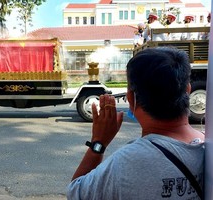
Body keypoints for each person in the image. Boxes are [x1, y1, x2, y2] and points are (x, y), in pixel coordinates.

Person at [67, 47, 205, 199]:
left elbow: (76, 193)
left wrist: (98, 143)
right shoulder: (206, 146)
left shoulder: (126, 162)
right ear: (188, 90)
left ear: (131, 99)